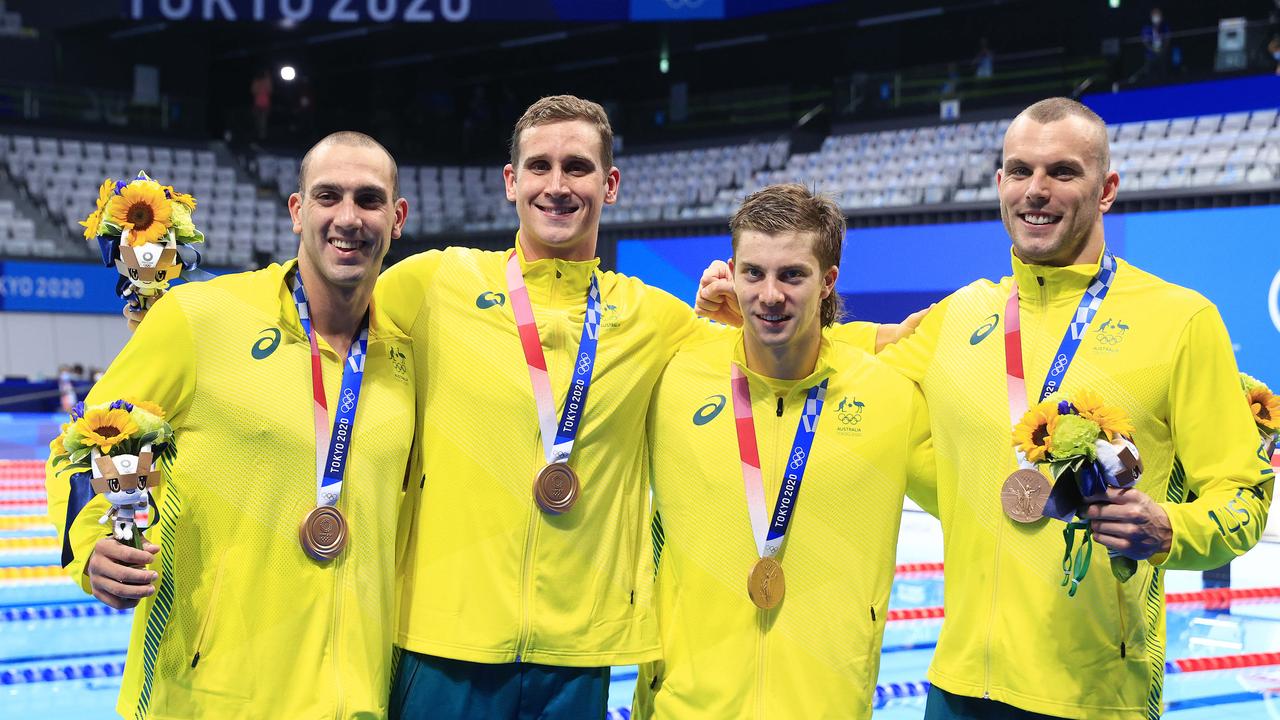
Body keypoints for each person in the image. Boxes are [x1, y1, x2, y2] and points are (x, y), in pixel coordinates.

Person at [696, 97, 1273, 719]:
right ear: (999, 184)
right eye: (1021, 171)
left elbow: (1240, 499)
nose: (1037, 191)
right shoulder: (964, 315)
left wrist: (1169, 531)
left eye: (1063, 172)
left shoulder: (1180, 321)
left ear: (1106, 189)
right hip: (956, 686)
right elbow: (842, 364)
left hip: (1094, 694)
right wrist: (751, 326)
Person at [380, 95, 908, 720]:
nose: (557, 185)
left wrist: (868, 335)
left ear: (610, 185)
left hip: (579, 658)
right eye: (539, 166)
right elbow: (332, 342)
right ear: (509, 181)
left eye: (576, 167)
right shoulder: (431, 285)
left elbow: (785, 350)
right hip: (444, 646)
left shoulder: (654, 319)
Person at [45, 131, 417, 719]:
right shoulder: (202, 318)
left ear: (396, 219)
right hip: (208, 698)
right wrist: (93, 544)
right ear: (297, 211)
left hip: (353, 701)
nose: (348, 217)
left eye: (368, 200)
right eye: (328, 196)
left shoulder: (406, 356)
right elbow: (84, 440)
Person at [631, 184, 934, 719]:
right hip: (684, 707)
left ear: (828, 282)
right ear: (731, 271)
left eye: (792, 275)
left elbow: (976, 497)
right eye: (753, 273)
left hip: (826, 706)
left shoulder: (889, 395)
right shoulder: (673, 374)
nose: (770, 295)